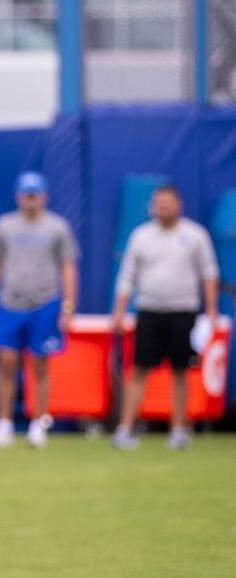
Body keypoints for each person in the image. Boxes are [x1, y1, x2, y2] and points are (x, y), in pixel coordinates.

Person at [111, 185, 220, 450]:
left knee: (180, 371)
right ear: (152, 206)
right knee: (138, 370)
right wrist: (120, 310)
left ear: (178, 204)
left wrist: (212, 311)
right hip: (149, 311)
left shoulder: (194, 235)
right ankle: (125, 428)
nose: (163, 207)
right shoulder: (141, 236)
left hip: (183, 311)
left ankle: (178, 429)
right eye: (159, 203)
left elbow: (209, 273)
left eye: (168, 202)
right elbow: (127, 275)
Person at [0, 172, 78, 448]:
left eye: (35, 194)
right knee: (6, 363)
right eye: (26, 194)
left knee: (41, 365)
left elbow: (68, 267)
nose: (31, 200)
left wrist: (68, 304)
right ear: (19, 196)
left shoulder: (57, 227)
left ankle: (38, 423)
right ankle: (4, 424)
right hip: (10, 303)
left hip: (45, 303)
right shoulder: (5, 226)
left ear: (43, 196)